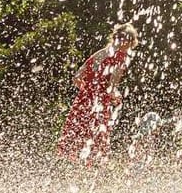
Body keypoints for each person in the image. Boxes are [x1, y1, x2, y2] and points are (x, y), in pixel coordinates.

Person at [58, 23, 139, 167]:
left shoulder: (100, 53)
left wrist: (89, 91)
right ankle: (90, 172)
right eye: (130, 43)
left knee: (77, 133)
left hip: (83, 100)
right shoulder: (121, 58)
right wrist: (114, 96)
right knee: (96, 138)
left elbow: (76, 77)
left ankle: (68, 168)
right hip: (100, 103)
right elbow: (111, 87)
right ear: (127, 41)